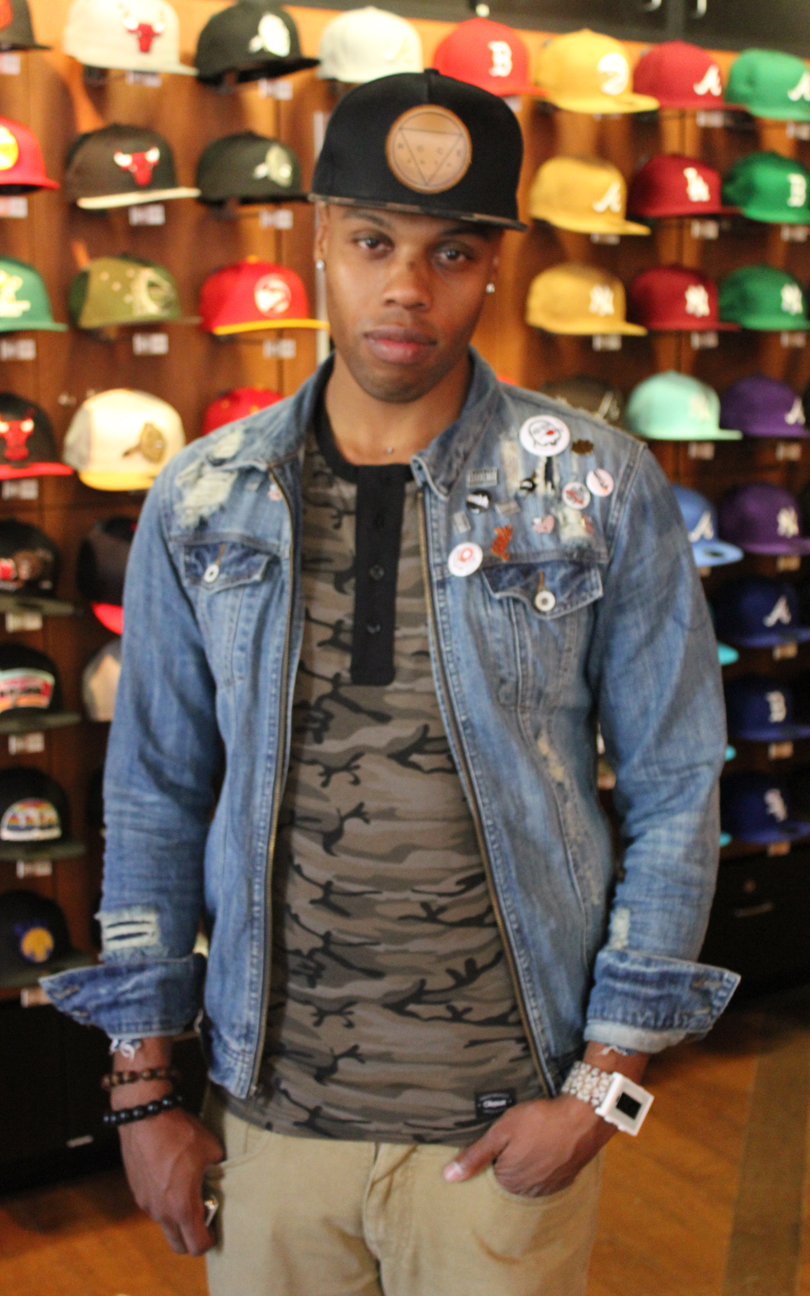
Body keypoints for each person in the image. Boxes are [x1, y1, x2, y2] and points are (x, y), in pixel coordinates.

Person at [44, 70, 738, 1296]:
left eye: (451, 251)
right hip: (269, 1123)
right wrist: (144, 1090)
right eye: (373, 241)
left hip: (508, 1123)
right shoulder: (202, 497)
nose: (408, 287)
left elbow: (677, 785)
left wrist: (607, 1086)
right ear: (318, 238)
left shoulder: (596, 486)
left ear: (493, 266)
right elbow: (153, 795)